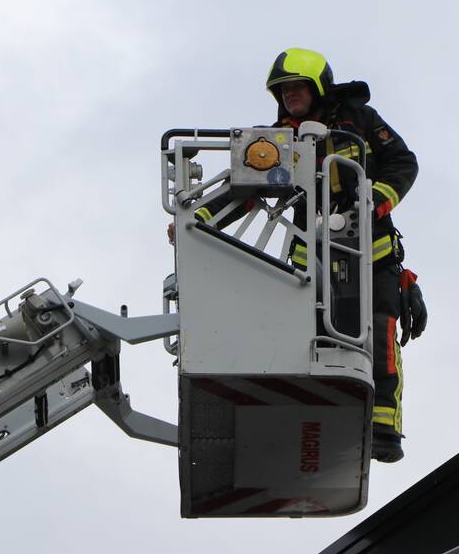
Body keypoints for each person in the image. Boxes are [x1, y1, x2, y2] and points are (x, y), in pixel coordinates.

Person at [174, 47, 422, 462]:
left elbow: (402, 162)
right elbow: (246, 188)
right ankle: (314, 412)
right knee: (307, 335)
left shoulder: (360, 119)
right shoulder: (279, 140)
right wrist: (196, 218)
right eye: (283, 90)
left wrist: (373, 201)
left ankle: (384, 429)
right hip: (313, 257)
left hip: (372, 252)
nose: (290, 95)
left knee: (380, 329)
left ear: (318, 87)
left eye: (297, 87)